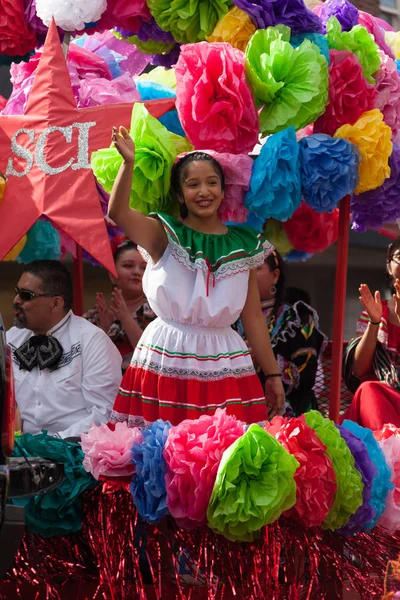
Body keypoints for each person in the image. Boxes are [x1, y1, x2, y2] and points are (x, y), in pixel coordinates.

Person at [107, 126, 285, 427]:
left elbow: (253, 319)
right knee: (159, 452)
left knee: (219, 455)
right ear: (180, 193)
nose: (204, 192)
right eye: (193, 184)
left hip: (225, 360)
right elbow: (118, 213)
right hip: (167, 354)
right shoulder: (163, 233)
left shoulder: (244, 244)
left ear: (223, 189)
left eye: (212, 183)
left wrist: (272, 374)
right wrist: (128, 164)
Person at [7, 260, 122, 439]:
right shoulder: (11, 339)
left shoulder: (92, 340)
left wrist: (54, 443)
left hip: (75, 454)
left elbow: (104, 412)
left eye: (26, 295)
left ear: (55, 303)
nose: (16, 300)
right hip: (22, 454)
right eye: (17, 292)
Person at [237, 249, 327, 416]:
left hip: (287, 409)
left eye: (256, 269)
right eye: (242, 269)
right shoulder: (227, 319)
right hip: (239, 404)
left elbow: (307, 374)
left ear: (275, 276)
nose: (247, 275)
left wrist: (264, 360)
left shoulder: (297, 318)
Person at [341, 237, 400, 429]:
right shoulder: (376, 310)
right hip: (380, 401)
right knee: (368, 389)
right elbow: (358, 371)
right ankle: (389, 451)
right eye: (399, 258)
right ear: (389, 266)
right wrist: (374, 323)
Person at [85, 236, 156, 371]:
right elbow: (83, 356)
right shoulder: (97, 313)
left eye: (144, 267)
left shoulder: (158, 312)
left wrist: (125, 317)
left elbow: (151, 354)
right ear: (112, 275)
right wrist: (103, 328)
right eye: (128, 266)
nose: (136, 272)